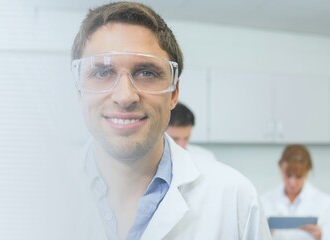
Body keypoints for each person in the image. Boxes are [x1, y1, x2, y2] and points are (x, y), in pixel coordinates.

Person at [70, 2, 271, 239]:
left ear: (174, 92)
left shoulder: (234, 198)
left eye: (147, 72)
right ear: (79, 91)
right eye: (102, 72)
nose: (125, 96)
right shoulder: (34, 195)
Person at [261, 144, 330, 240]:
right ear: (281, 168)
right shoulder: (264, 201)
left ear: (307, 172)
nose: (292, 183)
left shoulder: (324, 203)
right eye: (288, 175)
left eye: (298, 176)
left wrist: (320, 237)